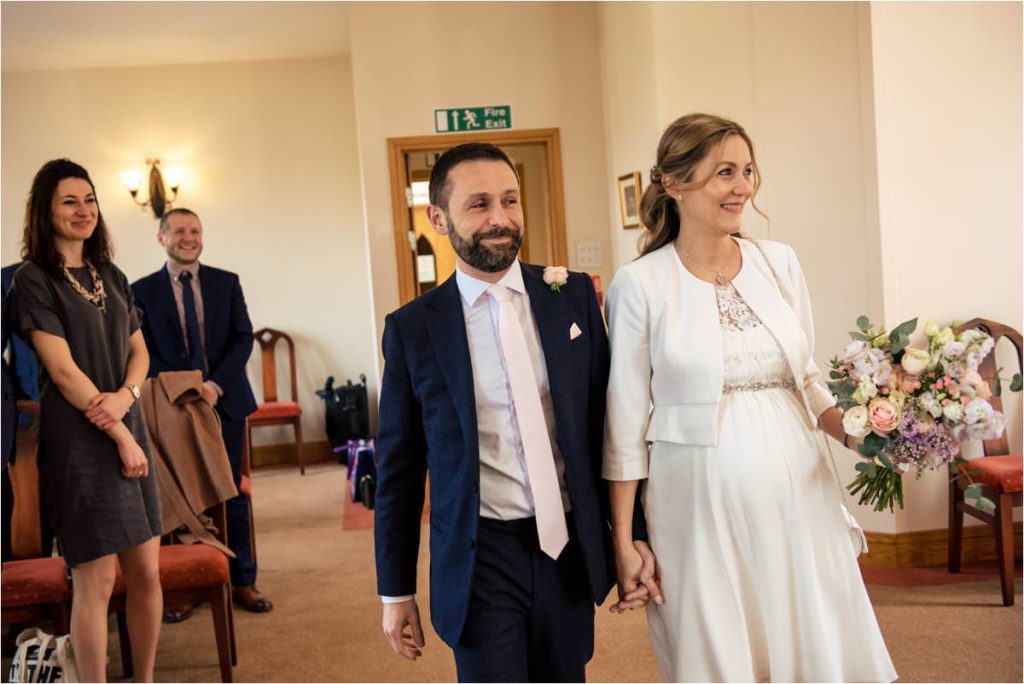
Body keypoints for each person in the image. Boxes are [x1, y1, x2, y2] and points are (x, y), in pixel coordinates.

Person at [603, 113, 897, 682]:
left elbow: (807, 381)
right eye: (723, 173)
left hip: (798, 483)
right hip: (696, 499)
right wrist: (624, 537)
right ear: (673, 182)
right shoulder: (639, 284)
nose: (742, 187)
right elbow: (624, 423)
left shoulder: (778, 262)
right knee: (720, 640)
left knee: (814, 628)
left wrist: (866, 432)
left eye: (747, 171)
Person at [375, 142, 648, 682]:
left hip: (565, 544)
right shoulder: (413, 330)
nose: (500, 219)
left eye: (510, 200)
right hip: (480, 555)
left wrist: (631, 535)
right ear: (438, 218)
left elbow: (609, 429)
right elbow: (398, 472)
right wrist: (395, 589)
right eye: (479, 205)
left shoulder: (571, 297)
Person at [9, 159, 163, 682]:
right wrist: (119, 430)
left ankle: (141, 680)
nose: (83, 210)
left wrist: (127, 396)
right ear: (45, 212)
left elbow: (140, 351)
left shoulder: (111, 275)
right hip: (80, 438)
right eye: (69, 201)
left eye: (90, 199)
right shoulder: (33, 280)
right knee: (95, 580)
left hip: (127, 424)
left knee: (146, 572)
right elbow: (62, 371)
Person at [131, 207, 272, 617]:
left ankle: (242, 579)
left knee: (231, 492)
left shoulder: (226, 283)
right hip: (171, 407)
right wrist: (184, 390)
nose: (188, 237)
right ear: (162, 238)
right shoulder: (140, 290)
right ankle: (183, 587)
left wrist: (212, 386)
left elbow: (242, 338)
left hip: (223, 402)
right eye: (178, 231)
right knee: (178, 498)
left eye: (194, 230)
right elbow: (143, 351)